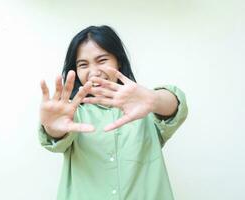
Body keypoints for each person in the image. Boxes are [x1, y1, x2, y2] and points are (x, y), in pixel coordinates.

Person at [38, 25, 188, 200]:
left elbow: (175, 106)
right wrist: (53, 128)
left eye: (102, 60)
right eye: (83, 64)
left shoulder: (143, 106)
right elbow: (57, 136)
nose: (94, 72)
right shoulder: (73, 113)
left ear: (118, 60)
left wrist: (154, 100)